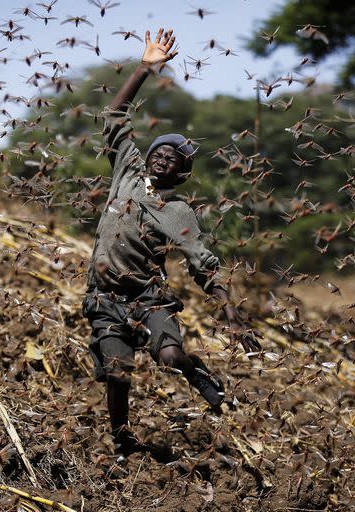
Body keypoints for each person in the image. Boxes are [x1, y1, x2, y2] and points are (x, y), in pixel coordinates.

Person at [82, 28, 259, 462]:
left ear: (180, 173)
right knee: (119, 374)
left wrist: (231, 313)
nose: (162, 158)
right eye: (159, 152)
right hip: (105, 296)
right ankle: (123, 438)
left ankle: (193, 371)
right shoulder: (125, 172)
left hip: (148, 295)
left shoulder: (178, 212)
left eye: (173, 159)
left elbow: (204, 264)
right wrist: (145, 67)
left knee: (169, 354)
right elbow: (115, 114)